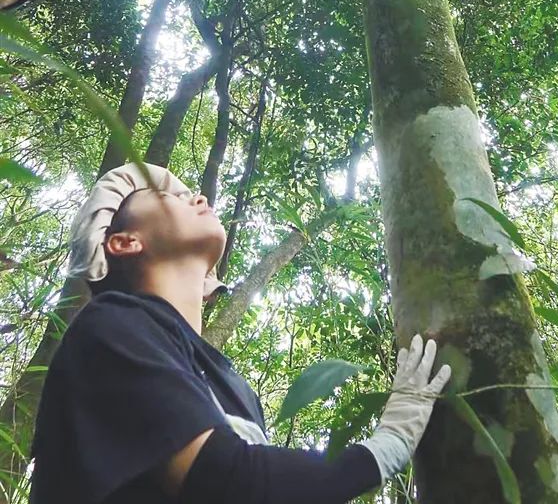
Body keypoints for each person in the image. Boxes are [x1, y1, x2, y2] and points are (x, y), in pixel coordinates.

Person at [29, 163, 451, 504]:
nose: (199, 197)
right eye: (167, 197)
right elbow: (225, 479)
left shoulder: (230, 383)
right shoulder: (110, 326)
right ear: (123, 242)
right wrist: (386, 446)